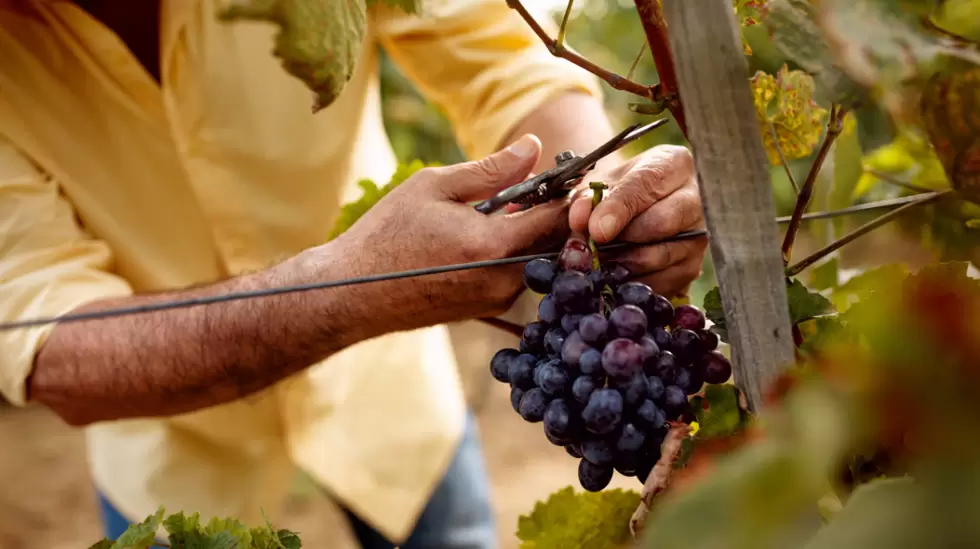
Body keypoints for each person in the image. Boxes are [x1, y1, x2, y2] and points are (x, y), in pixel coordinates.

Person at [0, 0, 708, 548]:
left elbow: (502, 62)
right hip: (171, 444)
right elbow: (50, 345)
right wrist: (354, 285)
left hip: (390, 403)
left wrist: (604, 190)